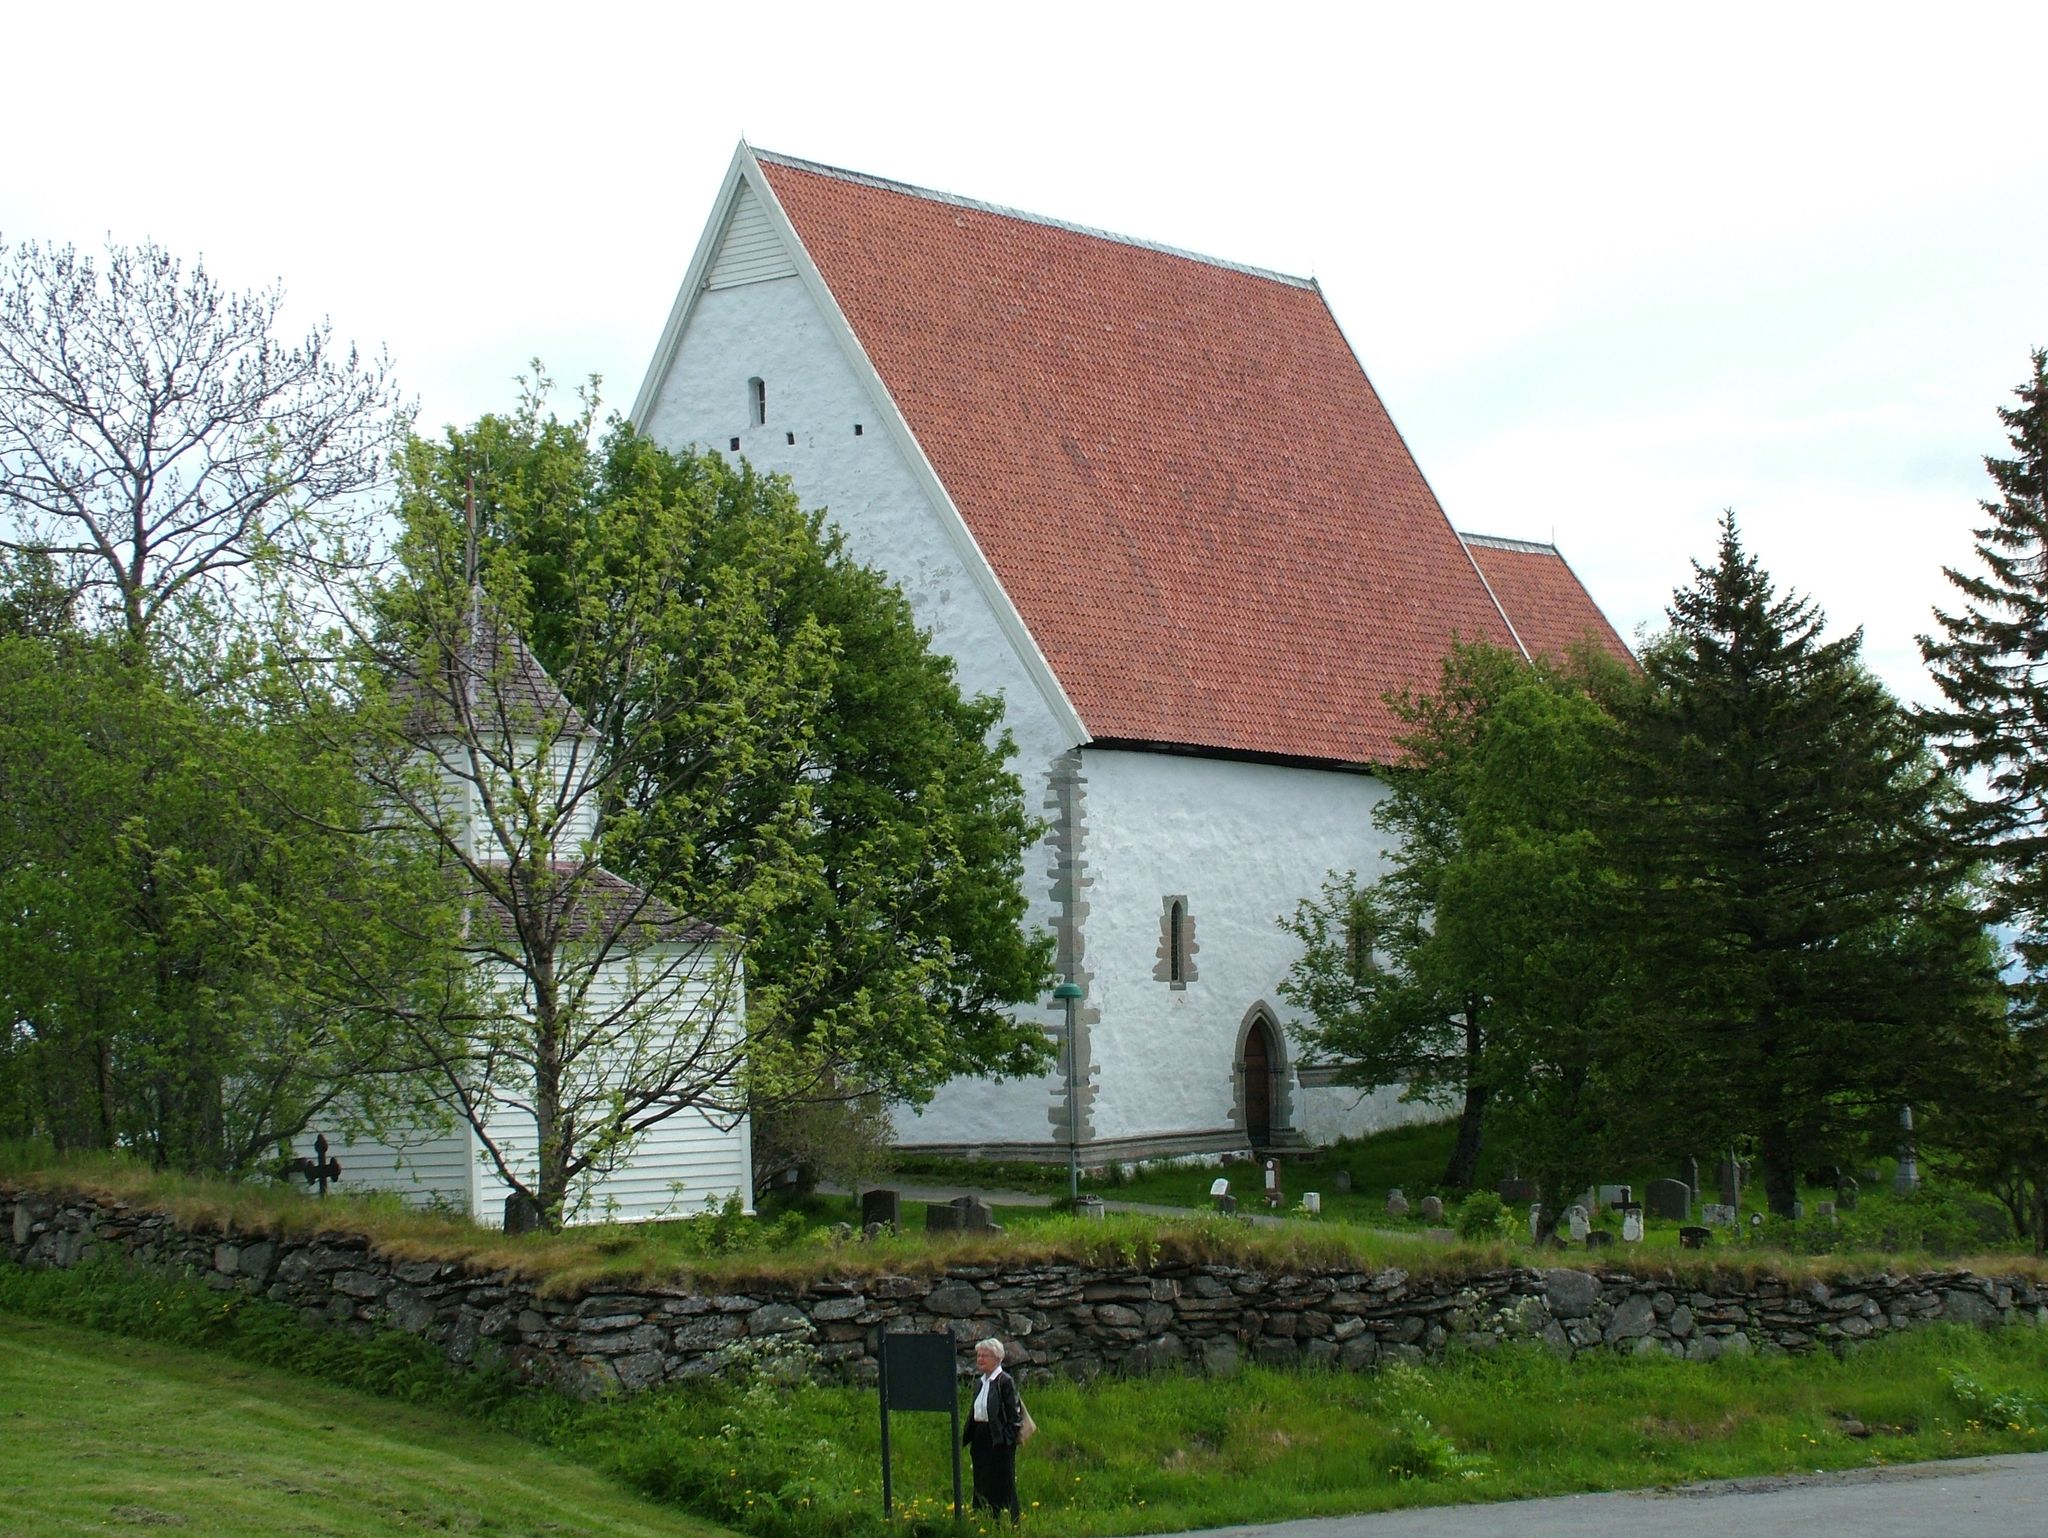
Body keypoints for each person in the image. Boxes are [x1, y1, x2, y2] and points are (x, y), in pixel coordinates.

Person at [963, 1336, 1023, 1521]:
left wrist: (1007, 1439)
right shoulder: (980, 1382)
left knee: (1003, 1481)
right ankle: (982, 1516)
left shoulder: (1004, 1381)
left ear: (997, 1358)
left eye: (985, 1356)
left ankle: (1009, 1520)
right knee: (981, 1479)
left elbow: (1014, 1416)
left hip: (998, 1437)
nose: (980, 1359)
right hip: (981, 1436)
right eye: (978, 1355)